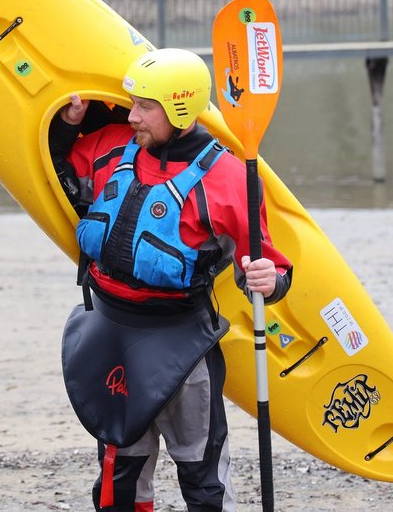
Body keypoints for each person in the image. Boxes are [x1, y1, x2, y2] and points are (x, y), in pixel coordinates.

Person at [51, 48, 293, 511]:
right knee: (119, 477)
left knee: (201, 477)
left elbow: (269, 265)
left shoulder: (227, 177)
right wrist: (67, 124)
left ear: (180, 109)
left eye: (145, 106)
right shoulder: (108, 146)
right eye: (132, 103)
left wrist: (269, 280)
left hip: (182, 343)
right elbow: (54, 171)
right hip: (111, 334)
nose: (132, 114)